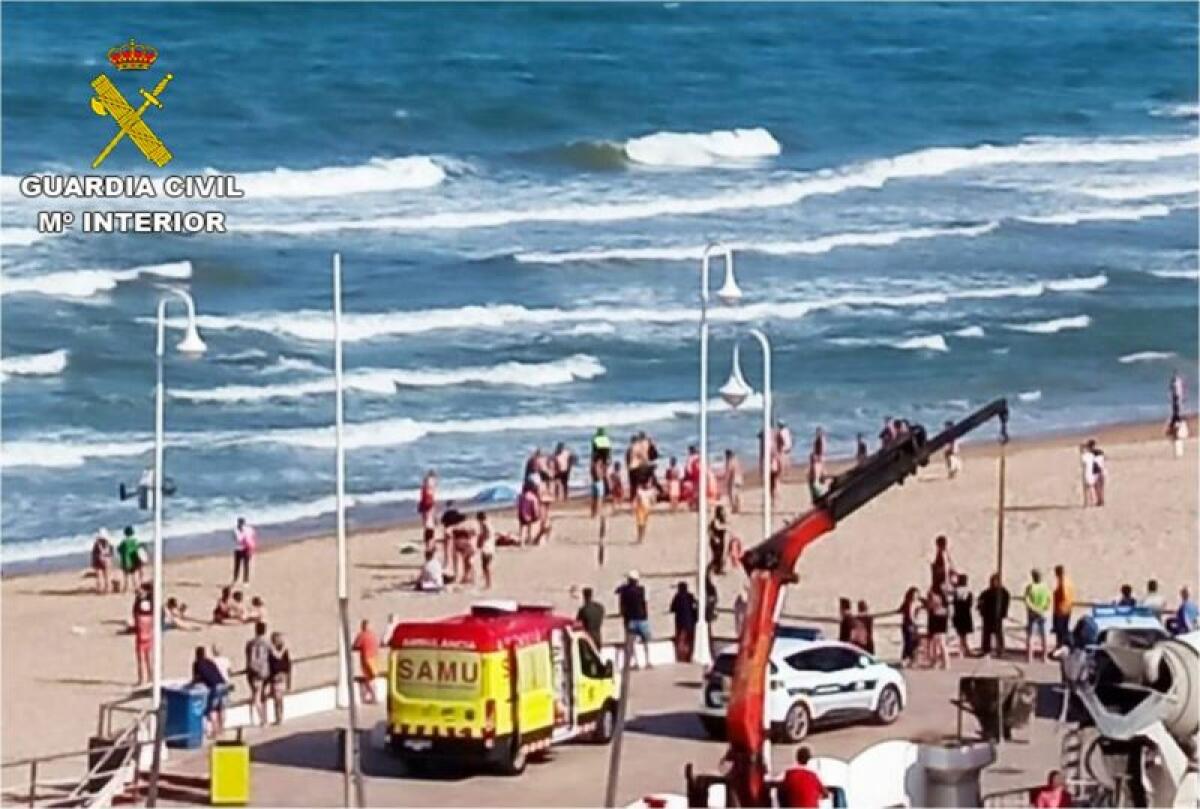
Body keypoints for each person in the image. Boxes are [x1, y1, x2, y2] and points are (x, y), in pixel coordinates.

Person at [190, 646, 229, 739]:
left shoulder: (197, 664)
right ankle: (222, 730)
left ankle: (215, 732)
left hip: (214, 687)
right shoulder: (210, 661)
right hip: (222, 684)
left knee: (212, 710)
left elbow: (196, 678)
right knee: (221, 708)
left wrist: (191, 685)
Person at [616, 571, 652, 669]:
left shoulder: (625, 591)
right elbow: (645, 603)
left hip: (630, 619)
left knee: (631, 643)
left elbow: (620, 601)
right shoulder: (641, 590)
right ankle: (648, 661)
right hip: (642, 618)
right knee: (645, 641)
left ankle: (635, 662)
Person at [245, 621, 271, 726]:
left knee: (256, 697)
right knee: (261, 696)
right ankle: (264, 718)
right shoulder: (267, 643)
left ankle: (262, 719)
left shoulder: (251, 643)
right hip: (265, 672)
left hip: (255, 672)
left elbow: (250, 658)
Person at [978, 573, 1011, 658]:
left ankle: (1000, 650)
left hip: (997, 616)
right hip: (988, 616)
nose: (993, 583)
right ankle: (987, 651)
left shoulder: (1003, 592)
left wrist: (1003, 613)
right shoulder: (987, 592)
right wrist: (981, 611)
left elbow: (1006, 603)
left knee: (998, 634)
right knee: (987, 634)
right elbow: (980, 602)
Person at [1024, 569, 1052, 663]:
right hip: (1043, 613)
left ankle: (1030, 657)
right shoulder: (1045, 587)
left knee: (1031, 636)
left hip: (1032, 614)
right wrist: (1044, 609)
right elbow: (1049, 600)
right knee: (1044, 636)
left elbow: (1027, 601)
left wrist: (1034, 609)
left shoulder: (1030, 587)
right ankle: (1044, 657)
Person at [669, 582, 699, 663]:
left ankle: (681, 657)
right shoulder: (690, 596)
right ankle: (688, 657)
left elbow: (672, 608)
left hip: (680, 622)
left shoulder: (677, 597)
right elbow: (695, 608)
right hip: (690, 621)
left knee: (681, 640)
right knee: (689, 640)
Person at [351, 619, 380, 704]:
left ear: (363, 626)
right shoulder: (373, 635)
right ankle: (372, 696)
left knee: (369, 678)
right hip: (375, 658)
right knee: (372, 678)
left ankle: (373, 697)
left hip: (366, 659)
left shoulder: (362, 635)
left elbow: (355, 646)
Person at [267, 632, 291, 725]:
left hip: (278, 677)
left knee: (278, 698)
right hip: (280, 676)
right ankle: (279, 717)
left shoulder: (274, 652)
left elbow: (279, 659)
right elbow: (288, 665)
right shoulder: (283, 651)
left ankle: (279, 717)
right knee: (279, 698)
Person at [132, 585, 154, 685]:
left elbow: (135, 613)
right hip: (147, 629)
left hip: (143, 629)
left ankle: (143, 678)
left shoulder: (140, 603)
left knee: (142, 656)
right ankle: (149, 676)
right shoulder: (151, 602)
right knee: (146, 656)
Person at [925, 587, 950, 669]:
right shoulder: (940, 609)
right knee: (937, 645)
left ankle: (943, 662)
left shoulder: (939, 609)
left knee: (940, 644)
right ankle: (939, 662)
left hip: (938, 627)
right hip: (936, 627)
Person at [1052, 566, 1075, 653]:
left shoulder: (1062, 582)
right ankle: (1063, 648)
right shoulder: (1069, 582)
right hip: (1068, 609)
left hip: (1060, 610)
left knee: (1060, 632)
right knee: (1064, 630)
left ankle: (1060, 648)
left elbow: (1064, 595)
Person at [898, 587, 922, 667]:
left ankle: (911, 659)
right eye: (914, 594)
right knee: (909, 642)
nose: (916, 596)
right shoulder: (908, 603)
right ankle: (906, 659)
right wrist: (914, 622)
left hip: (912, 625)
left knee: (914, 643)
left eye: (917, 594)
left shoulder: (917, 603)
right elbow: (910, 615)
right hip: (909, 625)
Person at [952, 574, 974, 657]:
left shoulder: (956, 591)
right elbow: (970, 603)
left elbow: (954, 603)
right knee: (964, 634)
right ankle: (964, 649)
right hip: (966, 614)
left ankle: (962, 649)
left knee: (961, 633)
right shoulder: (968, 591)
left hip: (958, 614)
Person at [117, 526, 144, 593]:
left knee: (126, 577)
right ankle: (136, 588)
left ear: (125, 533)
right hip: (133, 561)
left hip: (125, 561)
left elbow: (119, 550)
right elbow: (139, 549)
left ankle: (125, 589)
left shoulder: (123, 542)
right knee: (134, 575)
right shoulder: (135, 541)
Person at [232, 517, 257, 585]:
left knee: (246, 565)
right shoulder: (235, 530)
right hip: (238, 549)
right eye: (240, 523)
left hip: (247, 548)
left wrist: (251, 544)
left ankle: (246, 580)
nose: (241, 524)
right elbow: (238, 539)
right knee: (237, 565)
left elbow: (253, 535)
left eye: (242, 523)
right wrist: (245, 537)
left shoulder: (249, 529)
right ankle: (235, 579)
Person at [930, 535, 955, 599]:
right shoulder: (937, 555)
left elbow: (951, 567)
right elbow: (936, 570)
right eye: (942, 544)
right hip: (939, 584)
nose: (944, 546)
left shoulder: (946, 554)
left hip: (945, 583)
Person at [476, 512, 495, 590]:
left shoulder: (484, 525)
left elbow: (486, 535)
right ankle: (488, 583)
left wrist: (480, 540)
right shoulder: (487, 524)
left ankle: (489, 583)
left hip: (487, 548)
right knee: (486, 566)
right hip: (489, 547)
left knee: (486, 566)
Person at [91, 528, 114, 595]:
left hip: (98, 560)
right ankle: (108, 588)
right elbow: (111, 553)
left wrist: (93, 562)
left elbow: (93, 553)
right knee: (106, 575)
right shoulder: (108, 543)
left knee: (99, 576)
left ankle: (99, 589)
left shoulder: (97, 544)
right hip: (106, 560)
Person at [708, 506, 728, 575]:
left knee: (721, 555)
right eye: (722, 511)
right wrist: (714, 538)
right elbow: (712, 530)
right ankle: (713, 568)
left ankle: (719, 569)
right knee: (717, 555)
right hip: (715, 541)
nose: (723, 512)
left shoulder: (723, 520)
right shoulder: (715, 520)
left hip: (721, 541)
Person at [723, 449, 744, 513]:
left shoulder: (730, 461)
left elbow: (729, 472)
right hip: (739, 478)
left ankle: (734, 508)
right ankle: (739, 507)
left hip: (734, 479)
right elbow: (741, 469)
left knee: (732, 495)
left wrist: (726, 480)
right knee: (738, 494)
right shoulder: (736, 460)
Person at [1079, 442, 1097, 507]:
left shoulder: (1083, 456)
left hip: (1086, 474)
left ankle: (1086, 503)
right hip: (1091, 473)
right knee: (1091, 488)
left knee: (1086, 489)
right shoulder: (1090, 455)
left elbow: (1083, 464)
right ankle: (1093, 501)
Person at [1091, 442, 1107, 507]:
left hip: (1097, 472)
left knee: (1097, 488)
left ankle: (1100, 501)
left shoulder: (1091, 454)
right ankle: (1101, 500)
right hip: (1102, 471)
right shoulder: (1100, 452)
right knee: (1101, 487)